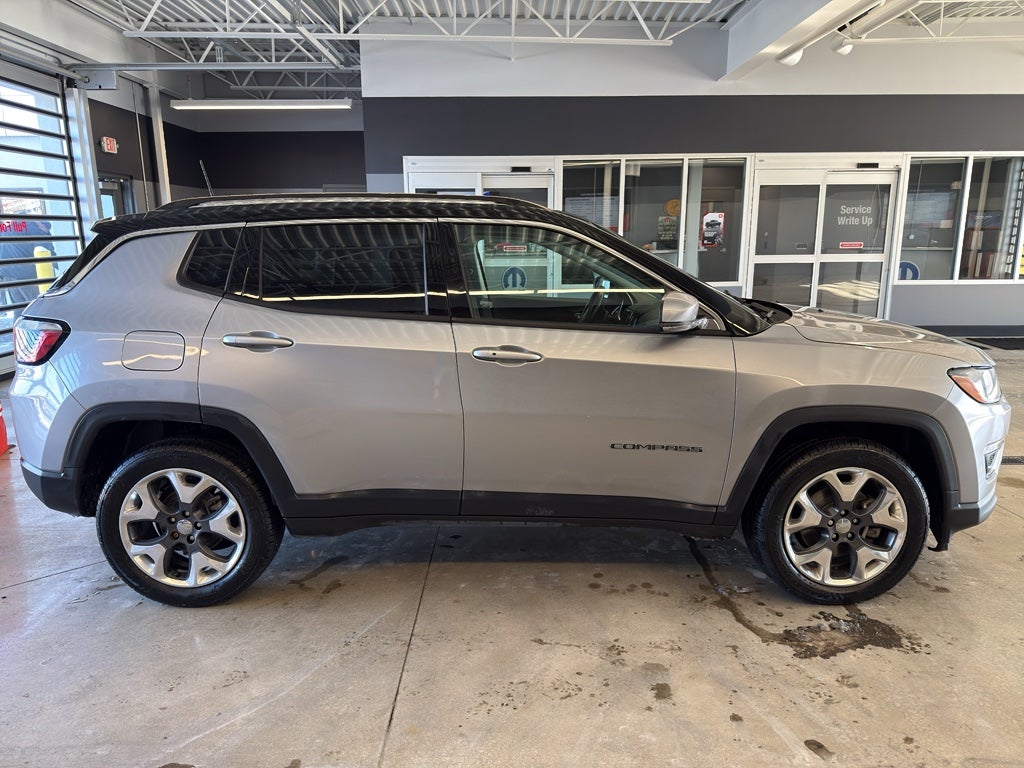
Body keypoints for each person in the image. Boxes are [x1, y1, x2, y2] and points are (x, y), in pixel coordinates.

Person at [1, 220, 53, 307]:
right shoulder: (33, 228)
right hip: (27, 276)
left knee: (19, 311)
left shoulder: (8, 228)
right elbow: (43, 249)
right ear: (41, 224)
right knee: (37, 308)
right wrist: (44, 233)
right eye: (46, 228)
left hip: (9, 276)